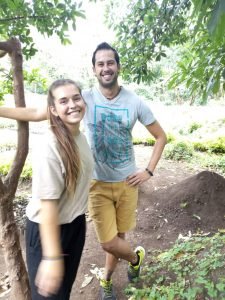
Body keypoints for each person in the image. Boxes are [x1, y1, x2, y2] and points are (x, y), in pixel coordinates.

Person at [0, 43, 167, 300]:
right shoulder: (83, 98)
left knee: (118, 236)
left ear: (118, 66)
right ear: (94, 69)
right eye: (100, 64)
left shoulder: (135, 102)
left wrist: (148, 171)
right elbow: (35, 112)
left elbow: (160, 137)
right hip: (97, 185)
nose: (106, 68)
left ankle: (109, 279)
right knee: (108, 241)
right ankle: (133, 259)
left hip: (127, 183)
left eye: (110, 62)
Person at [12, 79, 93, 299]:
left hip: (75, 224)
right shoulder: (50, 147)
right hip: (47, 229)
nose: (72, 104)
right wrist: (52, 257)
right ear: (53, 110)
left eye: (76, 98)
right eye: (63, 101)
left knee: (63, 292)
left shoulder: (79, 136)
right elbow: (48, 205)